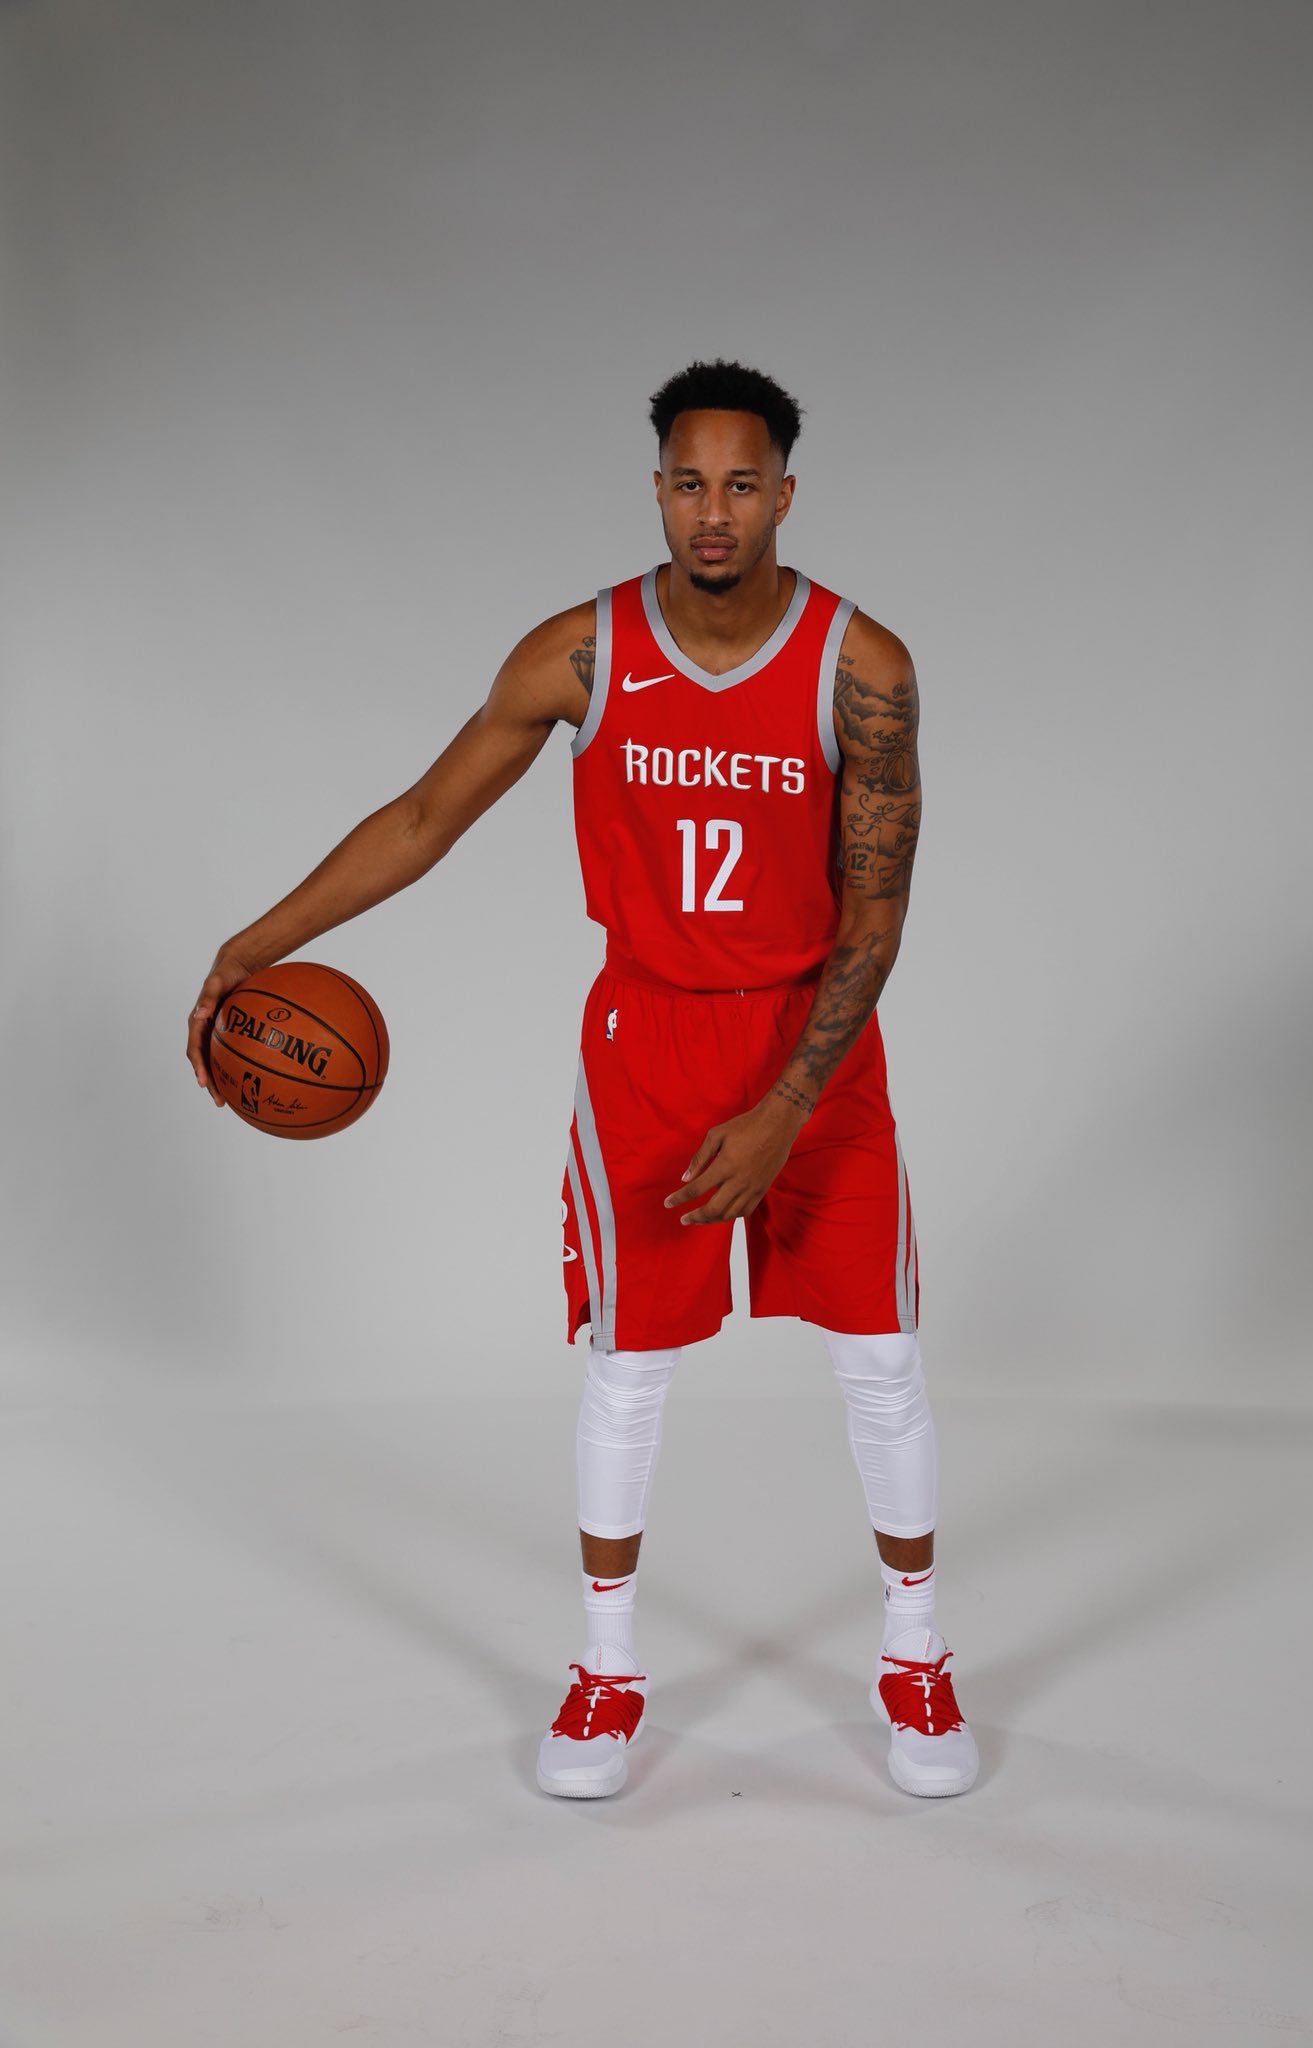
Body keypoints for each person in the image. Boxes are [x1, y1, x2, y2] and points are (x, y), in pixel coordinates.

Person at [187, 359, 978, 1801]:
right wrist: (257, 944)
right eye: (688, 482)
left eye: (743, 484)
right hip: (649, 1043)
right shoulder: (582, 655)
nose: (714, 512)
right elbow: (425, 817)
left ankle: (915, 1657)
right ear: (657, 489)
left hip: (814, 1046)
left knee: (881, 1357)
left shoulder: (863, 669)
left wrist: (787, 1106)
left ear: (786, 495)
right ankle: (609, 1671)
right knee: (628, 1367)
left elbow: (876, 916)